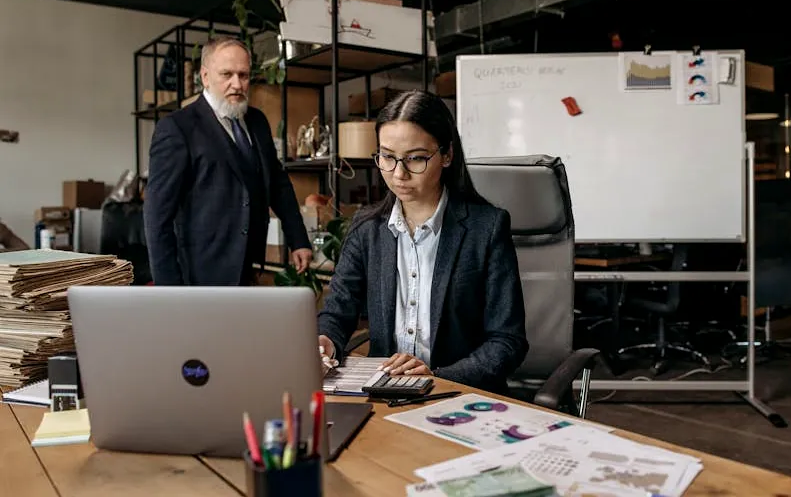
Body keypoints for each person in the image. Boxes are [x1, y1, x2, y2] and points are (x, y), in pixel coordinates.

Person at [316, 90, 529, 393]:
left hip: (457, 395)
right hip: (385, 393)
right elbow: (338, 311)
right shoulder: (367, 228)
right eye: (387, 157)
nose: (399, 174)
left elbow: (507, 341)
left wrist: (438, 377)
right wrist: (325, 341)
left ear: (447, 155)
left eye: (415, 158)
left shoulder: (487, 228)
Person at [143, 36, 313, 286]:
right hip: (199, 276)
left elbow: (278, 184)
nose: (237, 84)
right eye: (226, 74)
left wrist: (299, 239)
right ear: (205, 76)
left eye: (243, 75)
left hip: (247, 269)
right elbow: (157, 217)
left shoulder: (257, 122)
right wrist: (169, 291)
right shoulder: (177, 128)